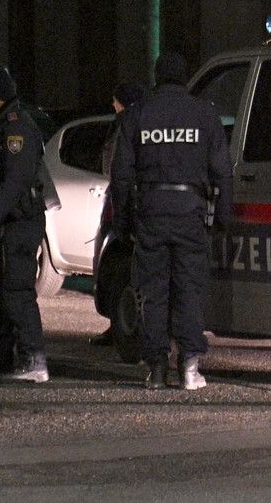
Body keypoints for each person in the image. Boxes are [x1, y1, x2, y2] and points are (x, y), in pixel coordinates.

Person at [110, 51, 232, 390]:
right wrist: (223, 219)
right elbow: (222, 172)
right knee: (188, 289)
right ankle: (190, 367)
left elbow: (121, 175)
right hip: (190, 213)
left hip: (151, 213)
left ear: (157, 77)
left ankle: (157, 369)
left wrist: (123, 222)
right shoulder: (204, 115)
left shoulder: (138, 114)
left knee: (153, 292)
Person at [0, 65, 50, 383]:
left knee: (17, 291)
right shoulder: (0, 125)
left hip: (20, 221)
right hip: (8, 221)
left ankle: (34, 360)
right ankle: (1, 361)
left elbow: (16, 178)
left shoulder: (16, 127)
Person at [90, 82, 146, 347]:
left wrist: (121, 212)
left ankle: (123, 327)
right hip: (131, 198)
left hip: (124, 200)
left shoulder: (127, 123)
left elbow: (116, 165)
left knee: (117, 263)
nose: (113, 105)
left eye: (115, 100)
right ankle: (119, 325)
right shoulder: (142, 120)